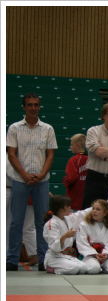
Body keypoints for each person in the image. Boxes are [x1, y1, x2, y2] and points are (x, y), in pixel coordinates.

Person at [6, 93, 57, 271]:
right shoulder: (14, 128)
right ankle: (12, 259)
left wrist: (42, 174)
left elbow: (50, 155)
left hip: (42, 181)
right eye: (30, 105)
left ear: (39, 107)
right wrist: (24, 175)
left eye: (36, 105)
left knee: (42, 222)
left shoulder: (48, 129)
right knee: (16, 221)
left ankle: (44, 259)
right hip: (20, 180)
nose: (33, 108)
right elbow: (11, 154)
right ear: (24, 107)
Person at [42, 195, 90, 275]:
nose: (70, 208)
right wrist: (65, 236)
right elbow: (54, 246)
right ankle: (51, 268)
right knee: (74, 268)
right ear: (62, 208)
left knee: (84, 268)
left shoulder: (68, 218)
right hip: (54, 257)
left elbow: (81, 214)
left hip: (66, 256)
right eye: (68, 206)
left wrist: (95, 207)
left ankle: (63, 266)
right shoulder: (51, 224)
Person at [76, 199, 108, 274]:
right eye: (93, 208)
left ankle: (103, 267)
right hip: (90, 255)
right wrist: (95, 254)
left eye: (98, 209)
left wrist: (106, 254)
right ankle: (97, 266)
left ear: (105, 213)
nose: (94, 211)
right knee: (94, 268)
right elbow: (82, 243)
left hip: (105, 256)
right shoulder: (84, 225)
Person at [63, 133, 88, 210]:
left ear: (77, 145)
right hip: (87, 196)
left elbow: (71, 177)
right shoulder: (90, 159)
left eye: (71, 144)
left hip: (74, 197)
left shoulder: (73, 160)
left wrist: (65, 181)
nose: (70, 147)